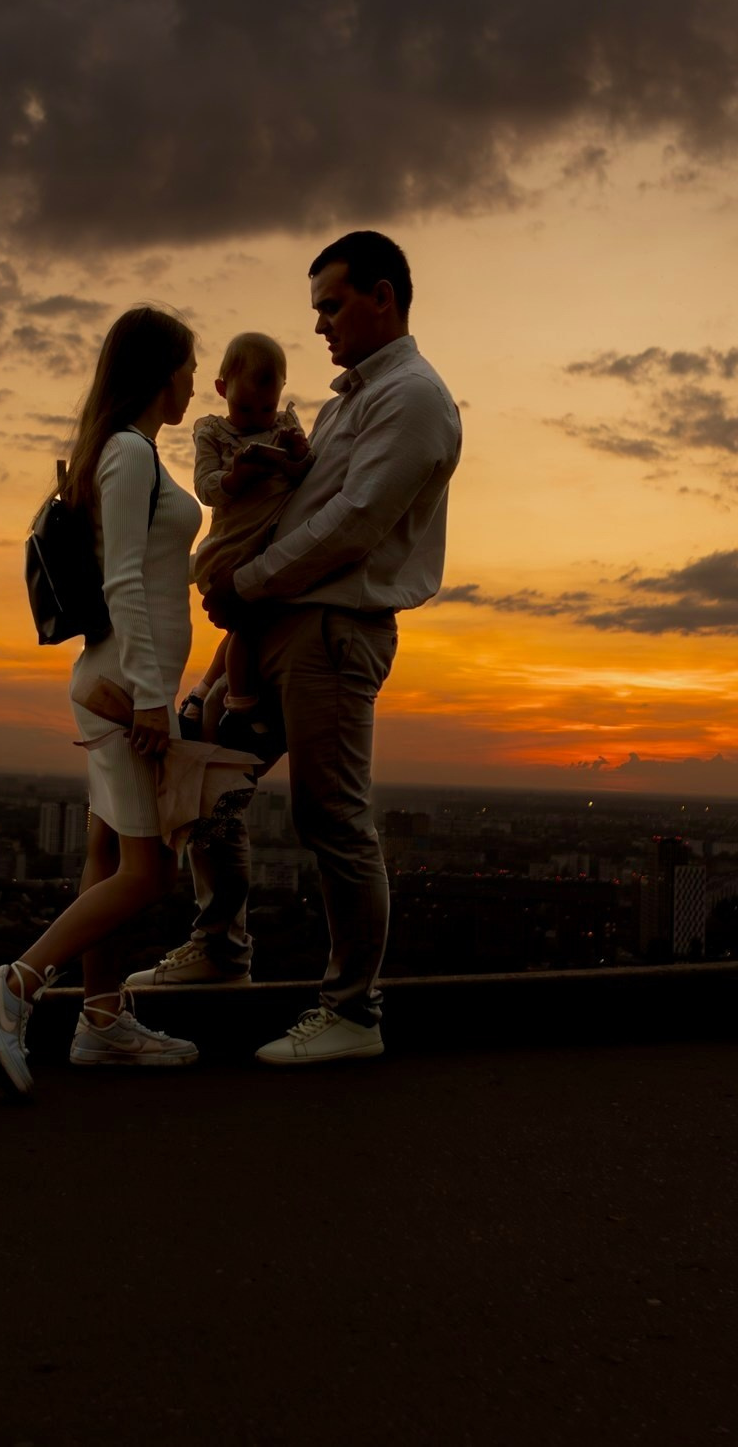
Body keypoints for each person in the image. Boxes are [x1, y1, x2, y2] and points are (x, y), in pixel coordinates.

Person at [128, 231, 461, 1067]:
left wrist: (249, 582)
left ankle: (354, 1010)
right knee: (201, 761)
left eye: (332, 305)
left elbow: (353, 524)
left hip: (333, 632)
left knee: (331, 816)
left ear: (382, 297)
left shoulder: (413, 397)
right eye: (316, 309)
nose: (319, 326)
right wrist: (236, 621)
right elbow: (291, 509)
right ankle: (221, 947)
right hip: (273, 625)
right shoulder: (348, 401)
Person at [0, 305, 208, 1095]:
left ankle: (101, 1022)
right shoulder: (130, 455)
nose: (195, 381)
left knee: (105, 856)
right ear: (160, 370)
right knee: (150, 873)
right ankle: (16, 984)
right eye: (188, 366)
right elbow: (124, 580)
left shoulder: (127, 453)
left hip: (118, 683)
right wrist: (149, 700)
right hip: (122, 692)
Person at [179, 332, 310, 753]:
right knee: (247, 627)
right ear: (222, 390)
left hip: (268, 545)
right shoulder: (214, 435)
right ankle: (241, 703)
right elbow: (205, 487)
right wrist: (235, 477)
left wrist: (297, 453)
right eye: (244, 408)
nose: (256, 418)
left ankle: (201, 695)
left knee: (252, 627)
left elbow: (303, 477)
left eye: (266, 407)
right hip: (233, 548)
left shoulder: (284, 425)